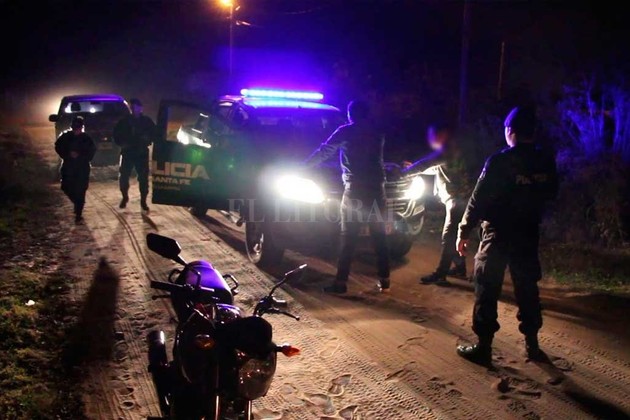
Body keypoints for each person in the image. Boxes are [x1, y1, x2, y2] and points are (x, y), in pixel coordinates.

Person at [455, 107, 558, 365]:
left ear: (510, 130)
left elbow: (478, 198)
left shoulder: (500, 161)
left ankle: (484, 347)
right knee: (527, 287)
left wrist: (464, 230)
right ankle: (532, 345)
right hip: (528, 232)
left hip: (498, 233)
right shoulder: (545, 160)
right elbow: (552, 193)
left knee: (487, 286)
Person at [305, 99, 391, 294]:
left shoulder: (345, 131)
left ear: (351, 114)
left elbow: (324, 151)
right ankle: (385, 279)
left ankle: (340, 283)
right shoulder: (378, 132)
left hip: (355, 190)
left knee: (348, 237)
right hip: (377, 189)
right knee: (379, 235)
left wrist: (302, 166)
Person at [403, 123, 471, 285]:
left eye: (433, 135)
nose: (431, 139)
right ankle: (459, 268)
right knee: (455, 234)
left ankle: (441, 273)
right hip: (461, 199)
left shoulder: (446, 151)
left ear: (443, 134)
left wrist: (402, 173)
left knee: (449, 236)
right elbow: (433, 168)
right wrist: (412, 168)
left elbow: (425, 165)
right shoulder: (453, 149)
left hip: (457, 201)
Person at [113, 98, 156, 211]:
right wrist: (123, 143)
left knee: (143, 179)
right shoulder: (124, 121)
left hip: (141, 153)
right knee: (124, 177)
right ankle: (125, 197)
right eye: (132, 107)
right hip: (128, 152)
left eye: (135, 107)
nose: (133, 109)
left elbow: (154, 133)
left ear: (140, 108)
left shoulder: (146, 121)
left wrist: (147, 139)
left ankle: (143, 201)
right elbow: (116, 135)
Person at [55, 116, 96, 223]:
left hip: (82, 167)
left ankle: (78, 213)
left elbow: (91, 151)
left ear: (82, 127)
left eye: (79, 127)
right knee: (66, 186)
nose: (77, 129)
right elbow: (58, 146)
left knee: (81, 190)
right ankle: (77, 203)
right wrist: (67, 154)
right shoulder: (66, 137)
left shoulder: (86, 138)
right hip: (68, 166)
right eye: (75, 127)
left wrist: (81, 156)